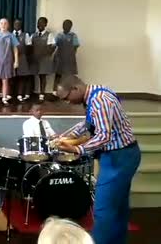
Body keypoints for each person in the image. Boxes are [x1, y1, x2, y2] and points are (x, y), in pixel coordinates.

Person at [56, 75, 141, 244]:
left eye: (66, 98)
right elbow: (88, 123)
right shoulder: (95, 94)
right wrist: (67, 136)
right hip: (123, 155)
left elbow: (103, 135)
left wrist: (76, 149)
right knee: (118, 208)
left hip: (119, 157)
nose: (67, 102)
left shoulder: (100, 100)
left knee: (104, 209)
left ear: (76, 89)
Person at [0, 18, 19, 106]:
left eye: (5, 23)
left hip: (7, 61)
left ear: (8, 25)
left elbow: (15, 49)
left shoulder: (11, 36)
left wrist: (16, 61)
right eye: (1, 23)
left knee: (5, 80)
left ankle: (4, 98)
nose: (3, 25)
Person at [31, 17, 55, 102]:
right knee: (32, 75)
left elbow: (52, 47)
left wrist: (45, 55)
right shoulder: (33, 35)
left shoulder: (49, 35)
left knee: (42, 76)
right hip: (35, 59)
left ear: (45, 24)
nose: (39, 25)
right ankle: (30, 93)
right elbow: (30, 47)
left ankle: (42, 94)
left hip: (44, 60)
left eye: (41, 23)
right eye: (38, 23)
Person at [53, 19, 80, 96]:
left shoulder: (73, 36)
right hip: (59, 58)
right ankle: (55, 92)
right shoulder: (59, 35)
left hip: (69, 58)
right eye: (64, 25)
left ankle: (69, 93)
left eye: (67, 25)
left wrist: (70, 55)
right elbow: (54, 45)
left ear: (70, 26)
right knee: (58, 75)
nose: (65, 27)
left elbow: (75, 47)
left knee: (69, 76)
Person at [13, 19, 33, 102]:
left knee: (22, 77)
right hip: (11, 59)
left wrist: (25, 56)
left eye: (19, 24)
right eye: (15, 24)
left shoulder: (26, 35)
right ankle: (10, 95)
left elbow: (29, 47)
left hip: (22, 58)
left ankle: (20, 94)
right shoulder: (10, 35)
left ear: (21, 25)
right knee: (12, 77)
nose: (17, 25)